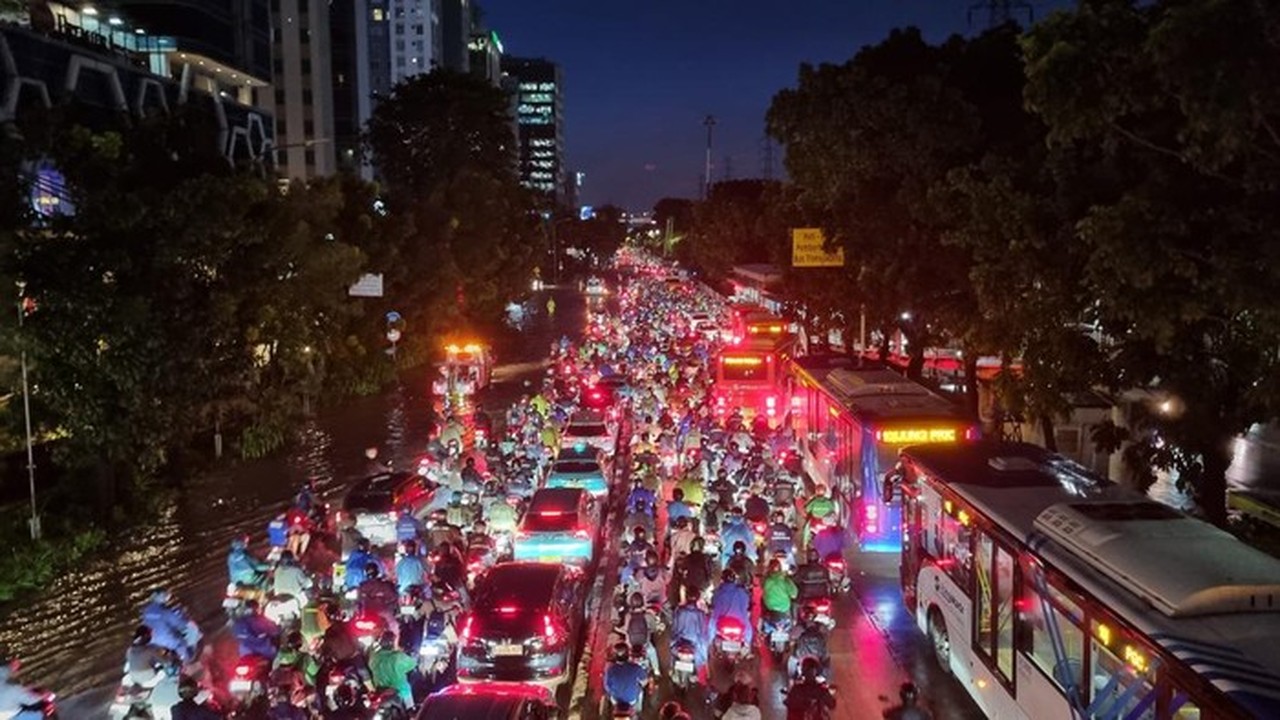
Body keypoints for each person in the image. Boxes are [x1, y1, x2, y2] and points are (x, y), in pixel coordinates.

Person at [140, 590, 201, 663]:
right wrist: (188, 623)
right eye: (165, 596)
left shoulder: (146, 611)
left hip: (151, 640)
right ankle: (188, 659)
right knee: (192, 631)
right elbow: (180, 624)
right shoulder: (165, 612)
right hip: (167, 641)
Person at [368, 631, 416, 708]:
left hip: (379, 689)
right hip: (398, 690)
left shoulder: (374, 656)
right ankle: (411, 711)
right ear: (392, 643)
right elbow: (412, 664)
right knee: (407, 691)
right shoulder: (398, 657)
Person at [709, 568, 753, 647]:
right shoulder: (741, 592)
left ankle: (709, 644)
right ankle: (747, 645)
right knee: (748, 630)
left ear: (722, 580)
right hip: (740, 622)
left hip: (721, 623)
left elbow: (713, 604)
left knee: (711, 625)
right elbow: (746, 605)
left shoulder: (718, 592)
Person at [617, 592, 660, 672]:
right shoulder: (648, 616)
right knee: (652, 651)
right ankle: (656, 670)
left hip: (630, 644)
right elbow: (653, 629)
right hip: (645, 643)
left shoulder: (628, 616)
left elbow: (626, 630)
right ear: (642, 603)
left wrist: (618, 629)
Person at [668, 598, 709, 679]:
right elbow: (703, 630)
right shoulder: (700, 613)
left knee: (671, 647)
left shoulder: (680, 611)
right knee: (703, 654)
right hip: (694, 642)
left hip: (680, 640)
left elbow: (674, 626)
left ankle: (671, 667)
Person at [602, 642, 647, 713]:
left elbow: (607, 687)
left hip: (616, 700)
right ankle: (638, 711)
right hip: (632, 699)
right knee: (641, 692)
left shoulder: (610, 669)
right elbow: (644, 681)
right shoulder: (636, 667)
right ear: (628, 655)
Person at [788, 606, 831, 679]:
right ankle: (825, 678)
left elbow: (791, 636)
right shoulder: (820, 626)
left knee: (792, 660)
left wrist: (792, 641)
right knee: (827, 660)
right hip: (819, 655)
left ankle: (791, 682)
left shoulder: (800, 627)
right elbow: (827, 635)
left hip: (801, 654)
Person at [357, 561, 399, 629]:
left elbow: (358, 601)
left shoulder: (362, 586)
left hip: (366, 614)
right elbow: (393, 597)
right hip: (382, 613)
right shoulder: (384, 585)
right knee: (394, 626)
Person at [762, 558, 799, 629]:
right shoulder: (785, 580)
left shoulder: (766, 580)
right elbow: (794, 594)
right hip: (784, 608)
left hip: (770, 607)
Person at [675, 536, 715, 602]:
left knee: (682, 588)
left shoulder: (687, 558)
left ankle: (682, 602)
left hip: (689, 585)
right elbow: (710, 573)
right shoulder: (706, 558)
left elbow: (683, 572)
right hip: (703, 585)